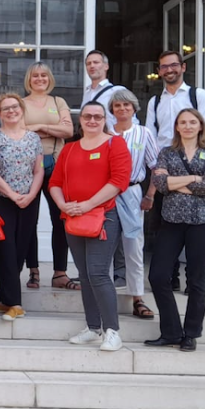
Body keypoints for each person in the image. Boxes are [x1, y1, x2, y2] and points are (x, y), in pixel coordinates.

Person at [49, 101, 131, 352]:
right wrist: (63, 205)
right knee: (85, 276)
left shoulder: (114, 144)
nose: (92, 120)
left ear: (105, 119)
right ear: (80, 120)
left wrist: (87, 204)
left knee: (97, 273)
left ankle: (112, 331)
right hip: (73, 218)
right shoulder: (70, 148)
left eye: (97, 116)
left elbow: (119, 181)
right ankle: (93, 327)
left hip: (103, 216)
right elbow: (55, 182)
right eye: (87, 116)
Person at [147, 108, 205, 352]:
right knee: (158, 275)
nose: (187, 126)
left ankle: (190, 333)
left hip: (202, 222)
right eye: (182, 122)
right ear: (176, 127)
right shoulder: (167, 153)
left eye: (192, 122)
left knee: (196, 279)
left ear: (200, 126)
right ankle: (170, 332)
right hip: (171, 222)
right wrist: (193, 179)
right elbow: (160, 184)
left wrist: (176, 182)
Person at [144, 50, 205, 291]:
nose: (169, 70)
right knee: (166, 224)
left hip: (195, 160)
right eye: (164, 67)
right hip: (165, 164)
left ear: (183, 68)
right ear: (159, 70)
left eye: (173, 65)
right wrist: (158, 171)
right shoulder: (155, 101)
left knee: (196, 222)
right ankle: (171, 276)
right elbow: (151, 137)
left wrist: (196, 171)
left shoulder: (198, 95)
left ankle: (194, 279)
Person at [0, 93, 44, 321]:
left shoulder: (34, 138)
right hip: (1, 199)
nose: (11, 111)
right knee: (5, 249)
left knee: (21, 248)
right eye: (5, 108)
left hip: (29, 199)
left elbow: (38, 169)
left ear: (21, 109)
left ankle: (4, 299)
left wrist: (30, 194)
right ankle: (15, 304)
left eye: (15, 107)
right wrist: (11, 194)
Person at [21, 62, 75, 290]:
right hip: (28, 166)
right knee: (29, 220)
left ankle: (60, 272)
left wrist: (40, 126)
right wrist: (53, 128)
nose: (40, 79)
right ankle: (33, 270)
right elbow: (19, 129)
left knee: (59, 219)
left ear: (49, 78)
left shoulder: (57, 101)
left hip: (56, 166)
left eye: (44, 75)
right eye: (35, 75)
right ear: (29, 79)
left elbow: (69, 131)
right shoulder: (21, 103)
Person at [108, 88, 159, 320]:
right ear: (112, 110)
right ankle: (103, 295)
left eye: (126, 105)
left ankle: (138, 297)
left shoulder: (143, 133)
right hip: (107, 193)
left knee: (134, 244)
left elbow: (156, 166)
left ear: (133, 108)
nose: (122, 109)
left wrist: (150, 195)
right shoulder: (105, 133)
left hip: (132, 190)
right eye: (117, 106)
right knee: (104, 244)